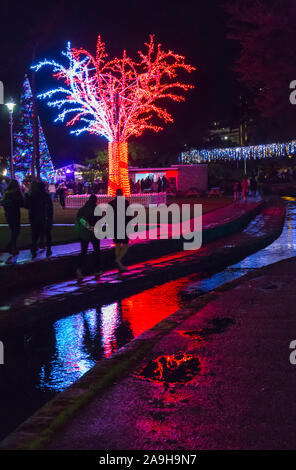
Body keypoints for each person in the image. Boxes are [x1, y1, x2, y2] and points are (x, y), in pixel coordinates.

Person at [74, 194, 101, 281]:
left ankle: (79, 269)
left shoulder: (82, 209)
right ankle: (97, 269)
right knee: (96, 251)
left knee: (84, 251)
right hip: (93, 233)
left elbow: (80, 219)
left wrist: (86, 227)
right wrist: (91, 228)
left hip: (83, 233)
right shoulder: (96, 209)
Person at [25, 181, 53, 257]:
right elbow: (50, 209)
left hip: (35, 218)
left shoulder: (33, 195)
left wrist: (27, 196)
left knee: (35, 234)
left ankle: (34, 249)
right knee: (47, 234)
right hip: (44, 217)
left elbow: (27, 206)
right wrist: (50, 218)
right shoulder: (46, 196)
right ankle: (48, 249)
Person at [108, 188, 130, 273]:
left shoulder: (111, 204)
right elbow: (128, 216)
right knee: (125, 245)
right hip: (123, 226)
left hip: (115, 226)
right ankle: (118, 260)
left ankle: (119, 264)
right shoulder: (126, 203)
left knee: (117, 245)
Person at [1, 179, 24, 255]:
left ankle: (13, 249)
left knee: (13, 231)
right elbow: (21, 202)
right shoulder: (16, 192)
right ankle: (9, 246)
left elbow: (3, 202)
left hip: (8, 214)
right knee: (16, 231)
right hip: (15, 213)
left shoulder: (6, 192)